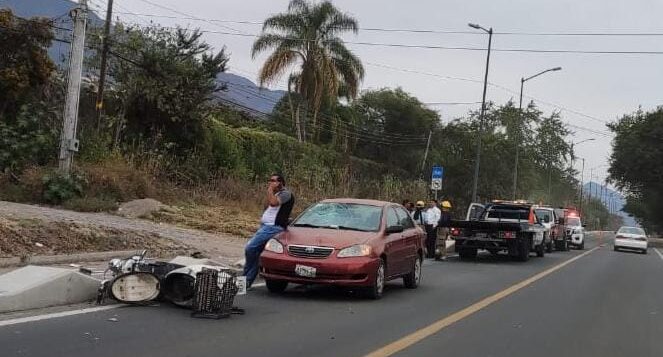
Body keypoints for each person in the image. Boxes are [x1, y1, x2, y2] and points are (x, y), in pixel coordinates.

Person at [243, 174, 295, 288]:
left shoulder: (286, 194)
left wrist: (270, 191)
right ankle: (245, 282)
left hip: (273, 227)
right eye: (269, 180)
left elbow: (273, 203)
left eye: (273, 181)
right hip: (265, 226)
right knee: (257, 253)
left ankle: (245, 278)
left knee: (250, 248)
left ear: (280, 182)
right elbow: (268, 206)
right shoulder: (276, 194)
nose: (270, 183)